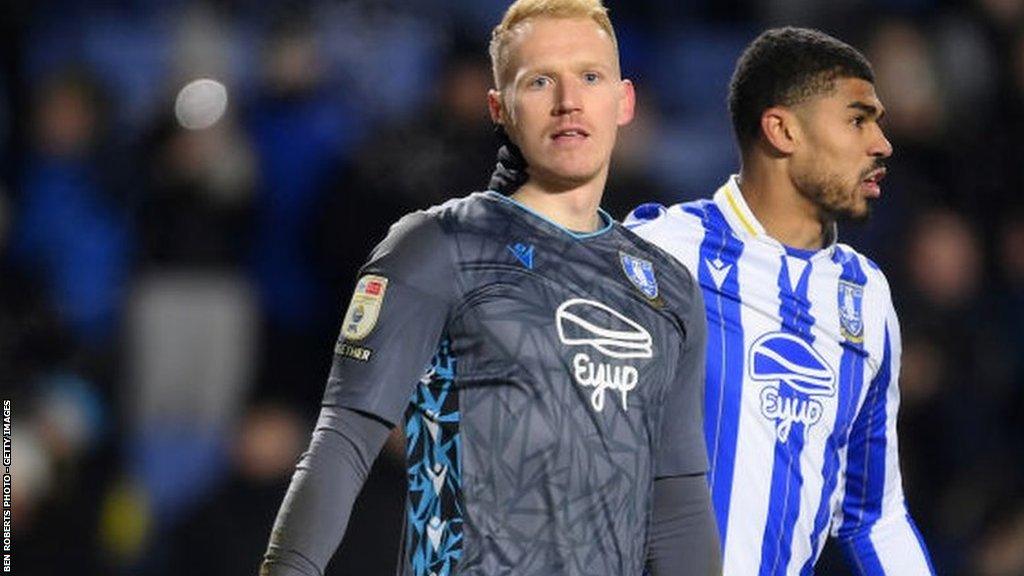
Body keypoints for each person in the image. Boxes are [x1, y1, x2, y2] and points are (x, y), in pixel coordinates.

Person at [259, 1, 720, 575]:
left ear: (623, 101)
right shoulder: (438, 246)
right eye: (540, 81)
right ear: (499, 108)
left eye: (590, 76)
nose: (568, 101)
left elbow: (677, 502)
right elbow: (343, 444)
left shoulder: (668, 290)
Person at [626, 27, 934, 575]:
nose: (882, 143)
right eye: (858, 119)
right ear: (783, 130)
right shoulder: (664, 250)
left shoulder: (864, 295)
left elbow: (872, 516)